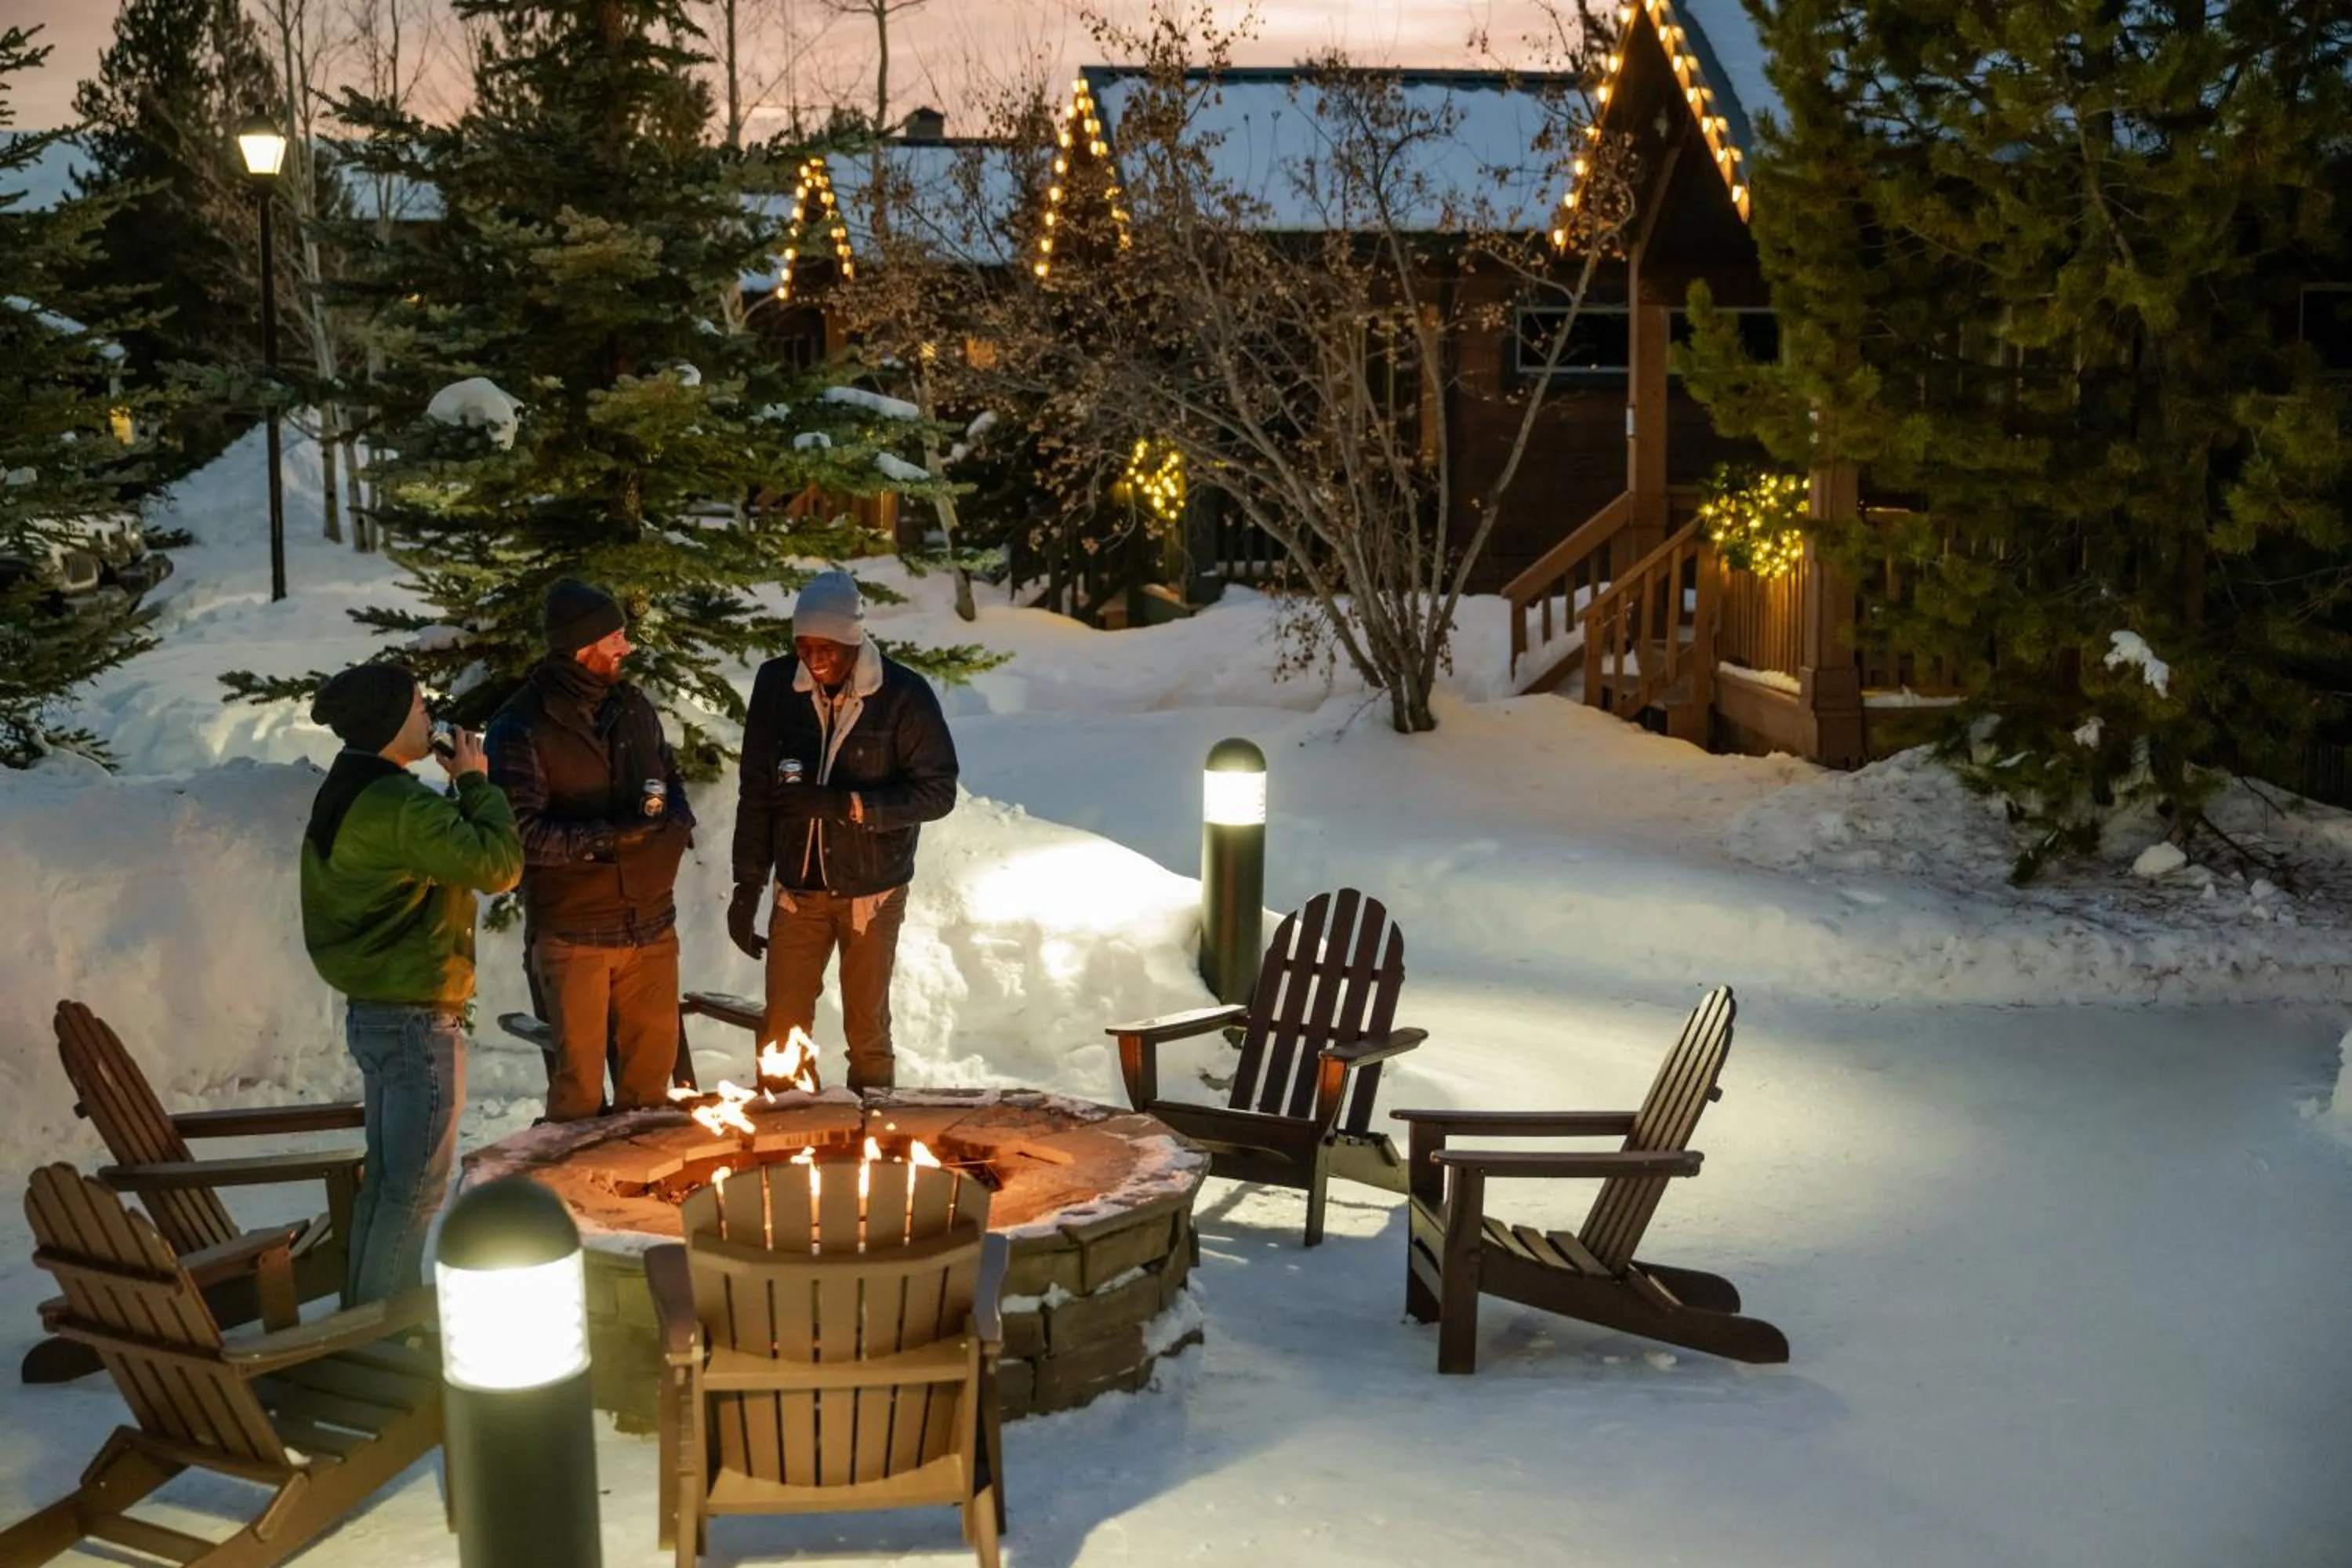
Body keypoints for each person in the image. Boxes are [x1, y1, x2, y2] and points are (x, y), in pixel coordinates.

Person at [301, 662, 521, 1305]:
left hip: (378, 1012)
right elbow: (498, 865)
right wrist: (476, 782)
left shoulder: (355, 791)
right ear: (391, 720)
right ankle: (384, 1333)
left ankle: (364, 1316)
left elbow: (434, 850)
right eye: (421, 706)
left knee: (390, 1183)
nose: (432, 715)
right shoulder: (396, 803)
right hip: (414, 1020)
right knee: (415, 1188)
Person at [730, 569, 958, 1092]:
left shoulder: (903, 696)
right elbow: (756, 791)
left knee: (867, 1029)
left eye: (826, 647)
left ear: (852, 640)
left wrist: (847, 805)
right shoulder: (776, 686)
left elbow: (936, 792)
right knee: (781, 1033)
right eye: (803, 645)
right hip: (797, 892)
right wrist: (747, 884)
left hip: (871, 894)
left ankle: (871, 1147)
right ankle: (787, 1149)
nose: (814, 659)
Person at [486, 580, 695, 1123]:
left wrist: (673, 827)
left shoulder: (631, 705)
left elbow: (669, 779)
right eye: (616, 637)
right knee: (577, 1094)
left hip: (651, 928)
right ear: (583, 647)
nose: (626, 647)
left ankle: (644, 1202)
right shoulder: (520, 726)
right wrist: (607, 837)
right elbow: (522, 833)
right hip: (575, 935)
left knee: (650, 1091)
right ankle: (575, 1203)